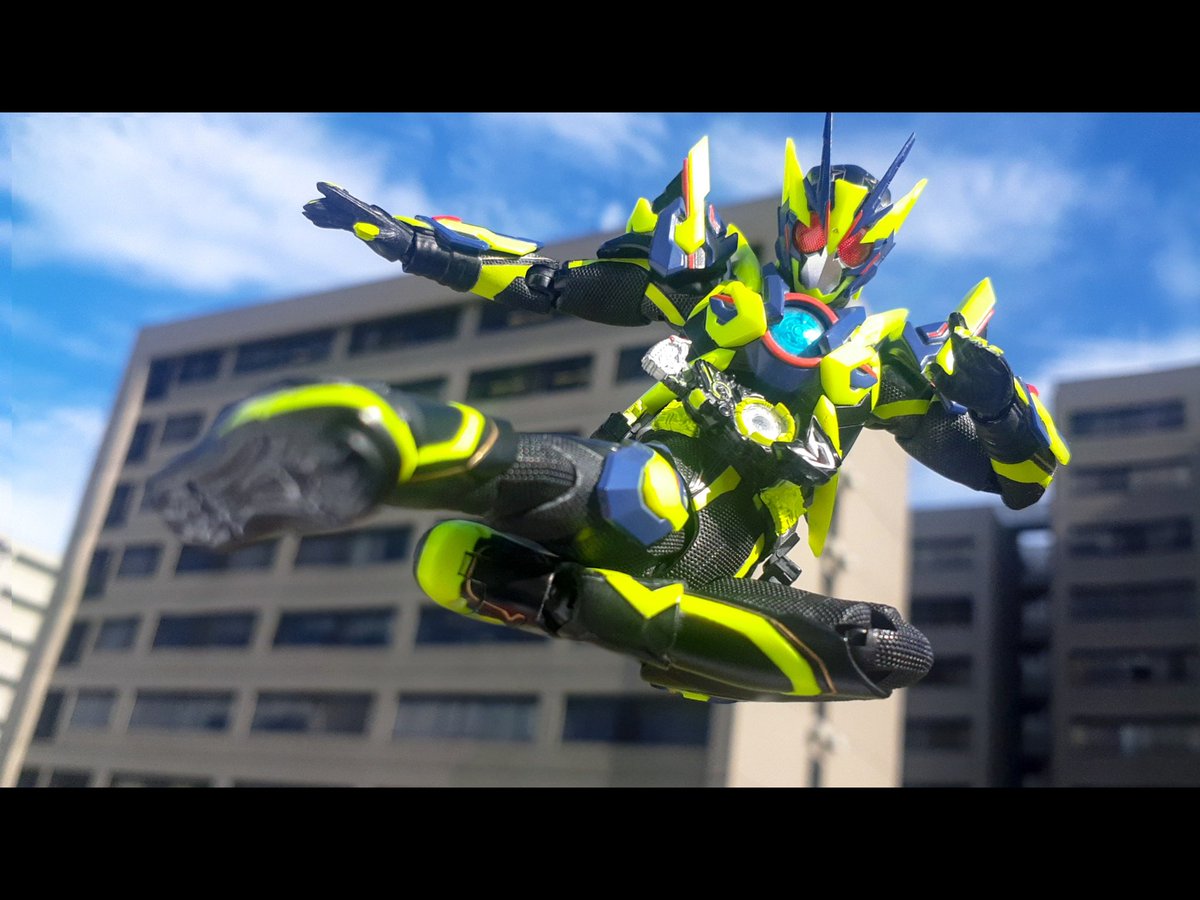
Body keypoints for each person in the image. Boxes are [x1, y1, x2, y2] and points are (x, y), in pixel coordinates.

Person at [149, 115, 1069, 703]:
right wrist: (418, 243)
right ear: (794, 217)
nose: (828, 257)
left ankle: (554, 597)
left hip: (724, 575)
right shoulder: (718, 284)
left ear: (879, 253)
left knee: (887, 651)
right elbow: (550, 281)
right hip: (633, 485)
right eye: (819, 229)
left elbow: (1018, 482)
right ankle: (369, 438)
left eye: (853, 244)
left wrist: (996, 402)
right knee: (632, 491)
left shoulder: (888, 366)